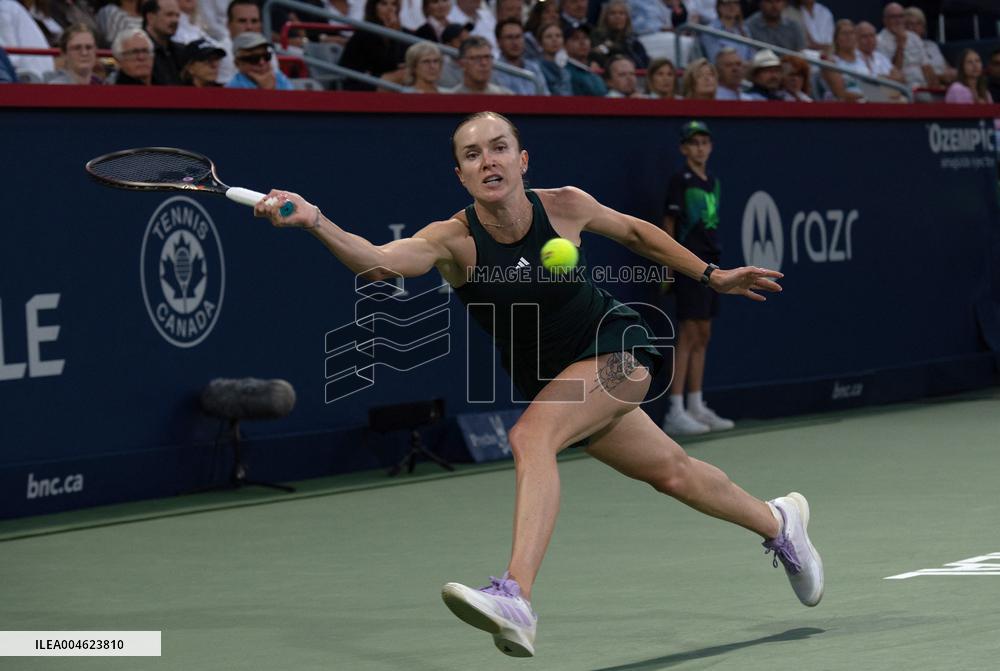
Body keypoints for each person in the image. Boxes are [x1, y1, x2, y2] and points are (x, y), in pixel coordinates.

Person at [251, 110, 821, 657]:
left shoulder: (565, 206)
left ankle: (516, 596)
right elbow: (378, 262)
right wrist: (317, 221)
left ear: (522, 160)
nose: (488, 161)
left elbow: (637, 234)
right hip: (553, 378)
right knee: (673, 472)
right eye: (472, 155)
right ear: (461, 174)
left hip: (619, 348)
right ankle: (779, 522)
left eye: (499, 148)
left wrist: (712, 275)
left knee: (530, 438)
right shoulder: (453, 241)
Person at [661, 120, 734, 435]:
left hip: (713, 265)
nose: (700, 148)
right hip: (689, 265)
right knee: (688, 334)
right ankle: (675, 411)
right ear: (683, 149)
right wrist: (668, 265)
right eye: (693, 143)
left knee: (704, 334)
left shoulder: (713, 181)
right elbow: (668, 225)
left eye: (705, 142)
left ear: (711, 147)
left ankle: (695, 404)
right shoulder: (680, 180)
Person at [339, 0, 410, 90]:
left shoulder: (397, 31)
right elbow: (383, 64)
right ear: (373, 8)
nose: (390, 9)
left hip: (379, 78)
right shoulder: (365, 32)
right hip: (359, 81)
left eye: (394, 4)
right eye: (384, 4)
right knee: (403, 75)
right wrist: (392, 34)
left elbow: (396, 62)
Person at [877, 2, 936, 89]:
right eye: (893, 17)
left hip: (923, 86)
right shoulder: (879, 41)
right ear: (885, 20)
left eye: (901, 16)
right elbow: (892, 74)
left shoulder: (914, 37)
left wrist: (934, 88)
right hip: (902, 88)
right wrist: (900, 46)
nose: (898, 20)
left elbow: (927, 67)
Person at [0, 0, 56, 78]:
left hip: (34, 78)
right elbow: (11, 58)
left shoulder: (5, 7)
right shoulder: (7, 7)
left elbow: (12, 59)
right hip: (31, 77)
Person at [493, 18, 550, 95]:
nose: (515, 43)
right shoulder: (494, 71)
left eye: (518, 37)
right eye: (509, 37)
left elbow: (545, 98)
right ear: (498, 42)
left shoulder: (534, 68)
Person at [904, 6, 955, 85]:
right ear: (904, 27)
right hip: (924, 87)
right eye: (910, 24)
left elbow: (946, 66)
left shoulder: (932, 45)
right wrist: (940, 77)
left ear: (923, 28)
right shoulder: (904, 48)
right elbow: (916, 75)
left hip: (945, 84)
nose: (914, 28)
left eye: (918, 24)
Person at [590, 0, 648, 69]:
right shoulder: (596, 36)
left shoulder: (633, 41)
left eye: (621, 13)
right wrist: (606, 48)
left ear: (627, 18)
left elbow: (643, 65)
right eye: (612, 13)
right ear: (605, 17)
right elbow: (596, 54)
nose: (617, 17)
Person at [225, 31, 293, 88]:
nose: (262, 62)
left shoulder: (278, 77)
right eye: (254, 59)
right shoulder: (233, 87)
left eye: (266, 56)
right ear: (237, 63)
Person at [447, 35, 513, 93]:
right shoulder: (450, 101)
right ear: (462, 63)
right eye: (477, 58)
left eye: (487, 57)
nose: (484, 63)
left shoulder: (506, 96)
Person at [141, 0, 183, 85]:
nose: (175, 20)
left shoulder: (181, 51)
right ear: (150, 17)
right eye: (169, 15)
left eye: (177, 16)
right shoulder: (138, 49)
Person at [563, 23, 606, 95]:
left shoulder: (593, 72)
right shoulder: (565, 73)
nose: (582, 42)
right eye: (575, 38)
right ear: (564, 45)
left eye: (585, 37)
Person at [535, 22, 571, 95]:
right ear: (540, 42)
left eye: (558, 36)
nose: (554, 39)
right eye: (549, 36)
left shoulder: (566, 71)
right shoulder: (536, 69)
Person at [438, 22, 469, 87]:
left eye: (468, 42)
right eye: (462, 42)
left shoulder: (477, 64)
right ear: (447, 45)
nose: (467, 46)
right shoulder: (439, 67)